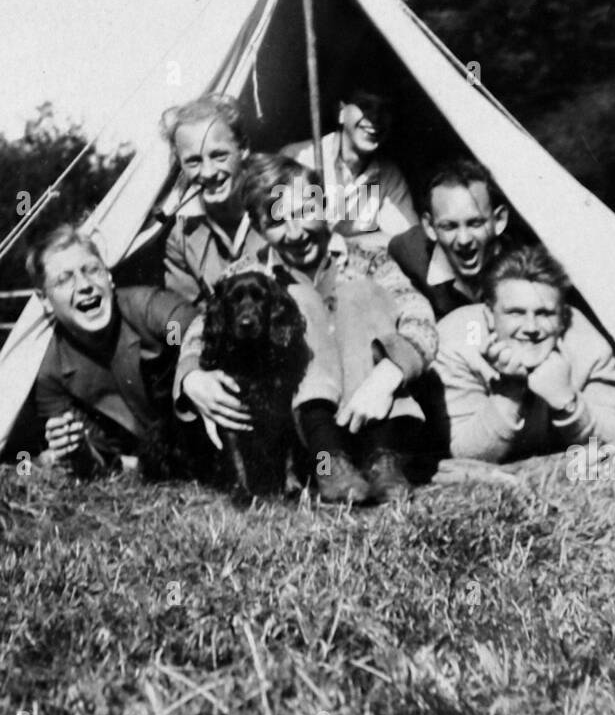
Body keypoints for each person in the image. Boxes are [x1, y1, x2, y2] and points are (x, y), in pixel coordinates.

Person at [176, 154, 438, 504]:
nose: (296, 232)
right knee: (295, 299)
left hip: (378, 413)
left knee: (358, 293)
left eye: (304, 212)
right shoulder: (251, 272)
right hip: (310, 439)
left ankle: (382, 464)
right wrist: (192, 376)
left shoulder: (367, 258)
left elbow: (419, 316)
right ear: (257, 225)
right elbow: (200, 324)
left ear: (324, 205)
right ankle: (328, 468)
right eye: (278, 221)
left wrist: (387, 376)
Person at [435, 243, 615, 463]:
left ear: (563, 317)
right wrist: (509, 392)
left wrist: (567, 401)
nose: (531, 327)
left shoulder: (585, 341)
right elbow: (466, 454)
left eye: (545, 313)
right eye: (516, 313)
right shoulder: (458, 341)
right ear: (490, 314)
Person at [29, 222, 196, 475]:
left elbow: (190, 325)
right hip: (153, 461)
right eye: (64, 280)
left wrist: (193, 369)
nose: (84, 285)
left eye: (92, 270)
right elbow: (94, 457)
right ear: (45, 300)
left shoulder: (144, 308)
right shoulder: (52, 373)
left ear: (108, 276)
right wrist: (75, 450)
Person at [159, 94, 267, 437]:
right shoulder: (182, 234)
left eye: (219, 156)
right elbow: (190, 318)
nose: (207, 173)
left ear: (244, 149)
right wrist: (191, 375)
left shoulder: (279, 202)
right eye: (193, 162)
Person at [282, 83, 417, 249]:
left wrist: (345, 244)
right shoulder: (299, 158)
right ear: (341, 112)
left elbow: (408, 240)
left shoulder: (388, 175)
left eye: (385, 109)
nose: (375, 117)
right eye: (365, 106)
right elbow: (275, 226)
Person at [388, 158, 510, 319]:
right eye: (449, 226)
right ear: (430, 227)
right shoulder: (409, 252)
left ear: (499, 221)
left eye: (475, 223)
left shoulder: (520, 264)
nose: (464, 240)